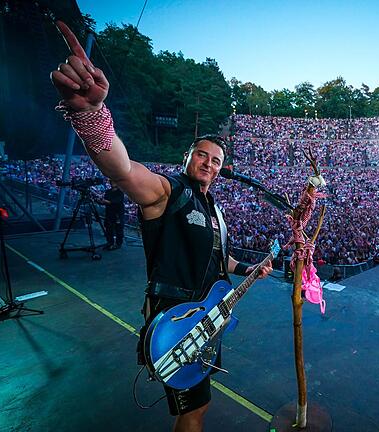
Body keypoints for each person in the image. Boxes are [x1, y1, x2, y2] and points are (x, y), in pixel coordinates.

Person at [50, 21, 272, 432]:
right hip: (176, 320)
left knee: (198, 408)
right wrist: (91, 116)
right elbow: (121, 169)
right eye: (201, 155)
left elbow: (222, 259)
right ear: (187, 158)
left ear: (221, 171)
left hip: (206, 316)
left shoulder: (215, 210)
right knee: (192, 410)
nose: (208, 162)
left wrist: (250, 269)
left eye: (216, 160)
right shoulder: (170, 192)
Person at [99, 179, 125, 250]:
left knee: (118, 229)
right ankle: (109, 242)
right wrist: (100, 201)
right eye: (111, 182)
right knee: (108, 228)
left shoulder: (120, 192)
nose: (112, 183)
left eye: (113, 181)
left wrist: (106, 201)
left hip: (117, 214)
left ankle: (118, 244)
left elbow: (116, 201)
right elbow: (105, 201)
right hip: (109, 213)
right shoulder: (108, 192)